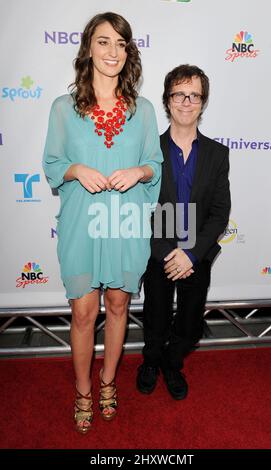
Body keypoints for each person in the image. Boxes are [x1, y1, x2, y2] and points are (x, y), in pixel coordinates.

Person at [43, 12, 162, 433]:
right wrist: (76, 168)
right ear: (88, 48)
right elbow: (53, 164)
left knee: (117, 306)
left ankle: (108, 383)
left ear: (128, 52)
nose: (113, 51)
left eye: (121, 44)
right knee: (82, 312)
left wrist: (138, 173)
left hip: (125, 219)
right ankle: (82, 390)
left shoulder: (142, 110)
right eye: (104, 41)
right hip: (80, 221)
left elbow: (154, 164)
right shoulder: (63, 107)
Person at [137, 64, 231, 400]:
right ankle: (150, 361)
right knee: (155, 320)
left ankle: (171, 363)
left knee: (190, 328)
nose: (186, 101)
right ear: (167, 100)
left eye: (194, 95)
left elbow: (220, 212)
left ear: (203, 102)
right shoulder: (150, 152)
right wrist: (167, 252)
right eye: (179, 94)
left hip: (197, 255)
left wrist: (190, 253)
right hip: (159, 252)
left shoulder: (218, 154)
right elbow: (143, 207)